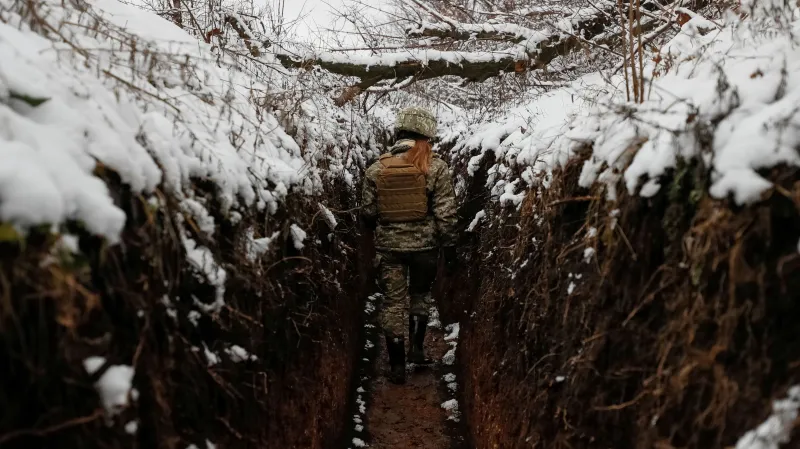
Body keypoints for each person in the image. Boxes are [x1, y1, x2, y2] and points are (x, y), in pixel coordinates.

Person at [361, 107, 458, 385]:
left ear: (399, 132)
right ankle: (417, 349)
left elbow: (368, 213)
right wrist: (450, 248)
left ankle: (396, 366)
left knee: (392, 303)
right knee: (421, 295)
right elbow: (446, 213)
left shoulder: (376, 168)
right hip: (425, 248)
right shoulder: (435, 166)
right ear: (427, 135)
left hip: (389, 248)